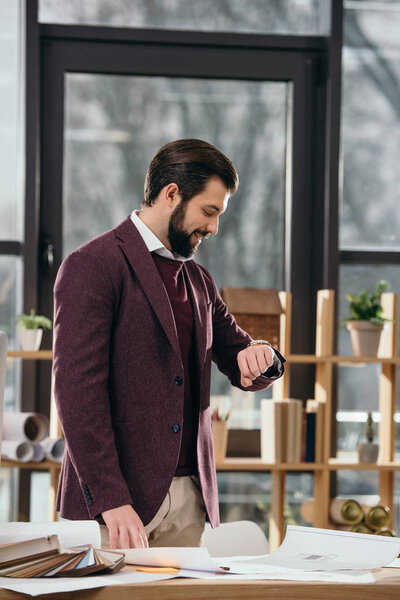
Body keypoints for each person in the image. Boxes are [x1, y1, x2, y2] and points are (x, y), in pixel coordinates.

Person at [53, 138, 286, 550]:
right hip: (116, 505)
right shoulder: (93, 265)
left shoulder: (199, 279)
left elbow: (238, 354)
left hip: (190, 499)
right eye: (209, 211)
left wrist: (262, 355)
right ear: (171, 194)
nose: (213, 227)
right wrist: (111, 499)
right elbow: (77, 393)